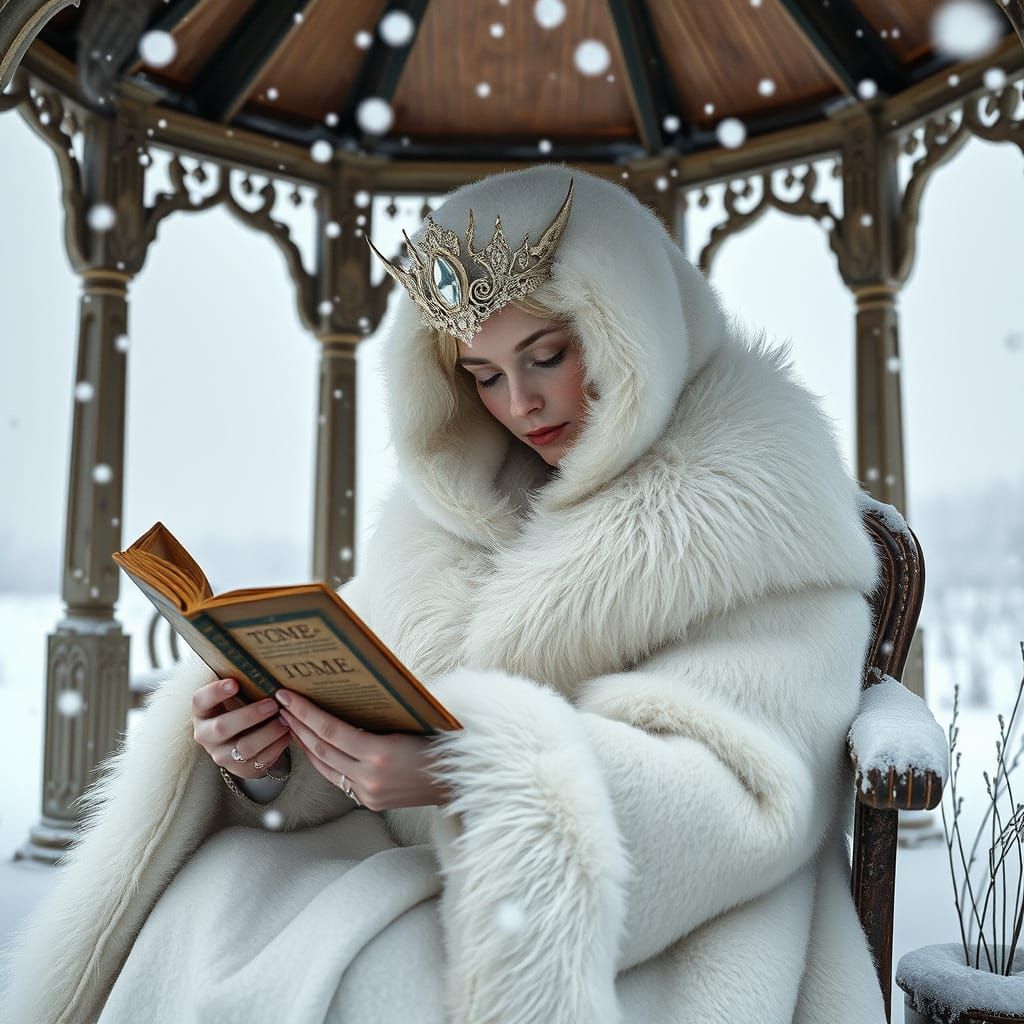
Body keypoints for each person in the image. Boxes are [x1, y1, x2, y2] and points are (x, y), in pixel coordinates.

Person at [2, 165, 887, 1023]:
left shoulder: (755, 494)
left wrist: (468, 779)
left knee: (376, 986)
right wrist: (270, 757)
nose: (523, 405)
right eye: (484, 376)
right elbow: (375, 696)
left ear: (631, 328)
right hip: (425, 858)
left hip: (647, 909)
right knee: (203, 915)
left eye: (547, 354)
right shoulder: (454, 504)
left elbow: (750, 796)